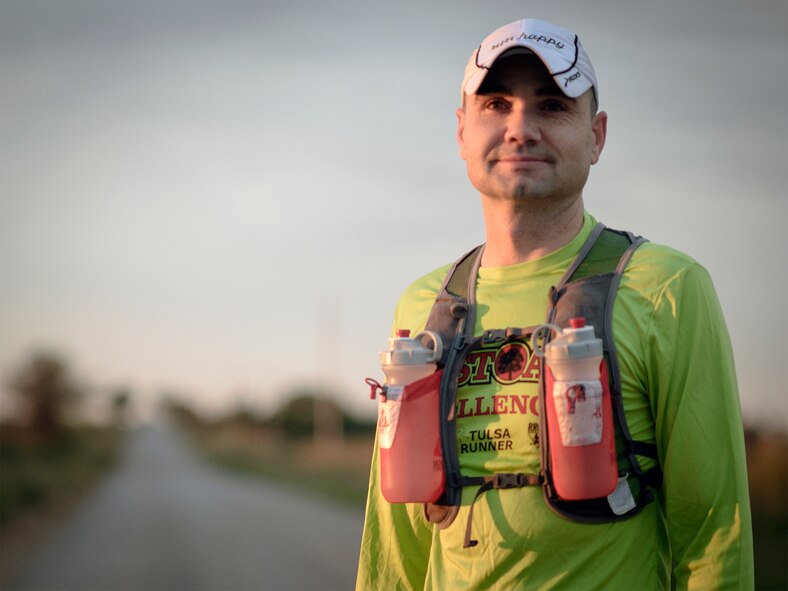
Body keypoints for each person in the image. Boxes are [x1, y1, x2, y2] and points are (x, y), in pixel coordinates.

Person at [356, 17, 754, 590]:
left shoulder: (667, 287)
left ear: (597, 135)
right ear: (462, 132)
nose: (521, 129)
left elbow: (716, 534)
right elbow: (396, 542)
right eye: (496, 104)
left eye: (552, 106)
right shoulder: (423, 307)